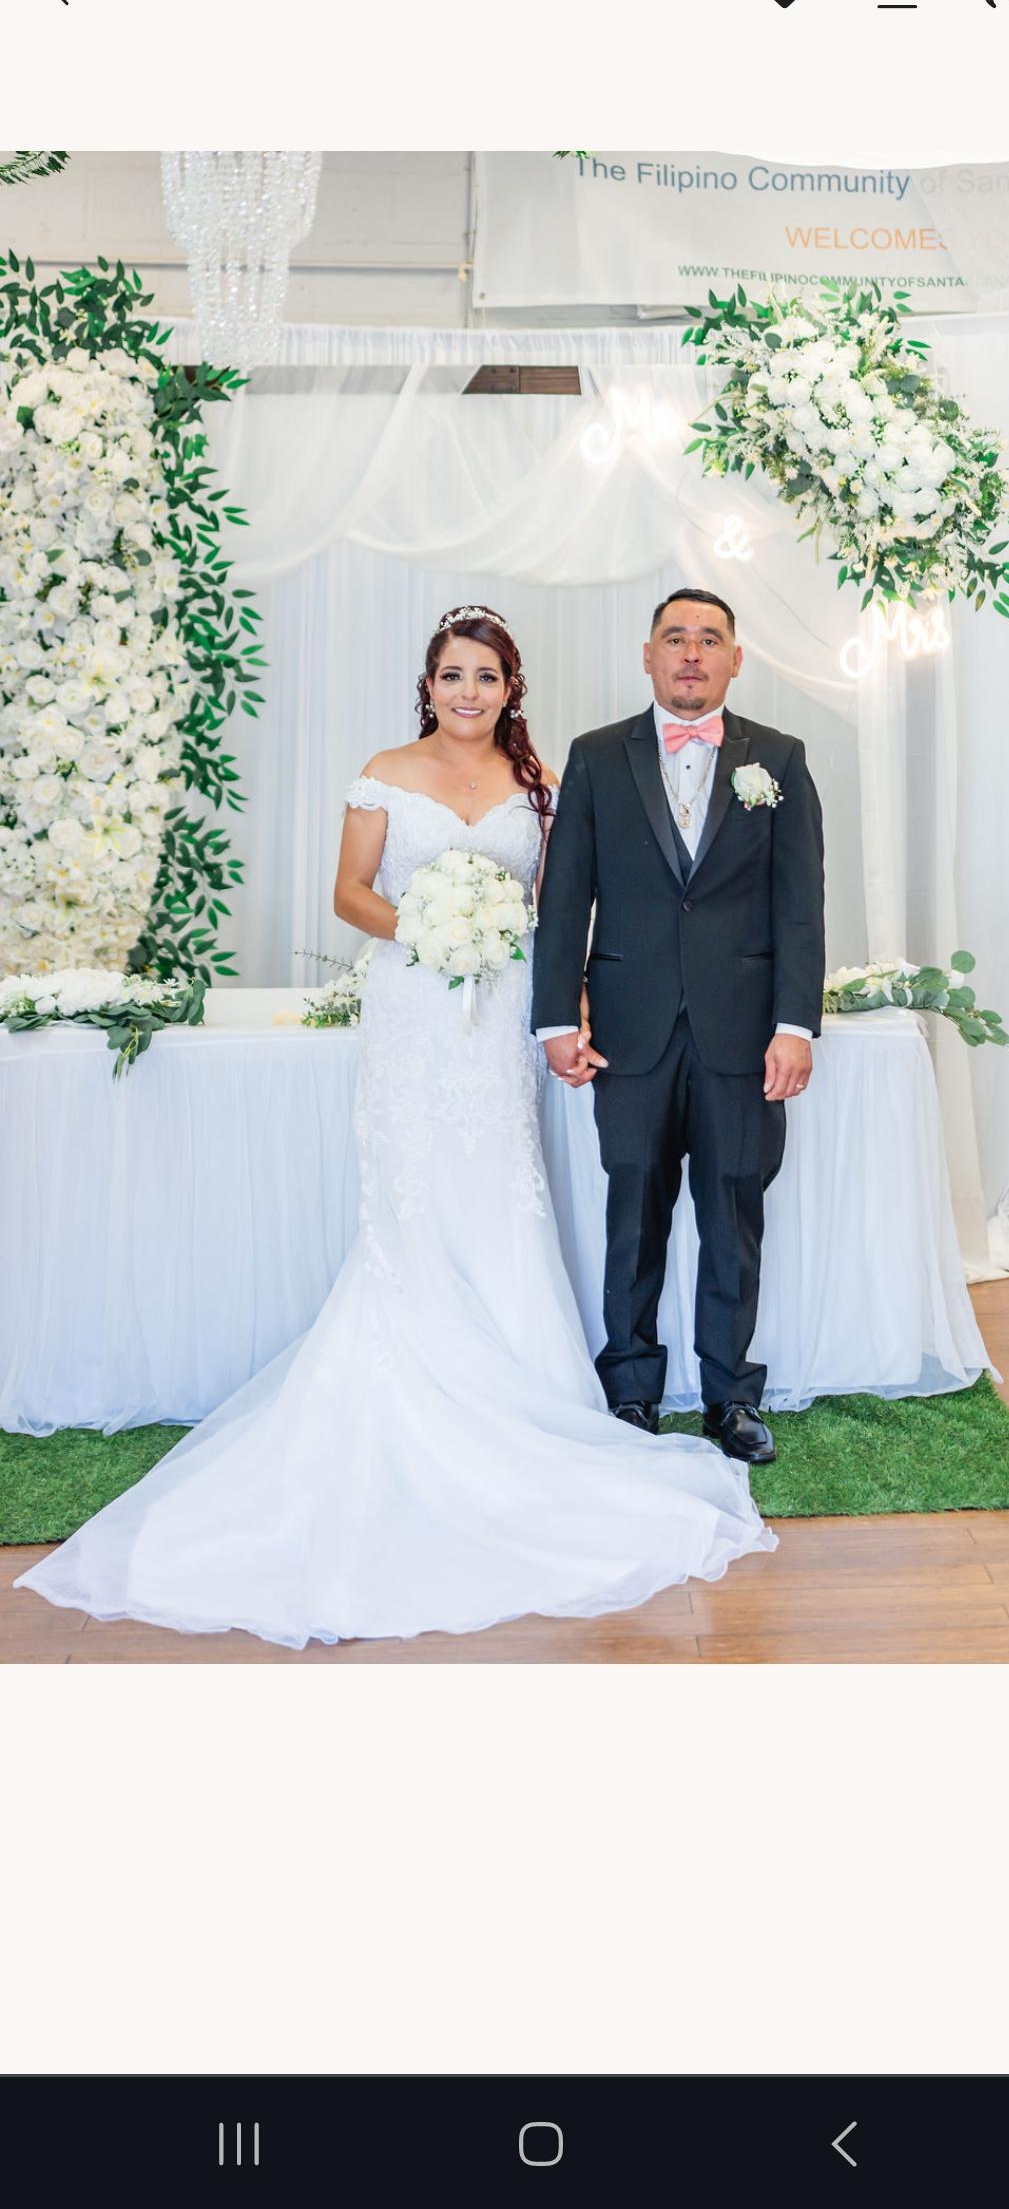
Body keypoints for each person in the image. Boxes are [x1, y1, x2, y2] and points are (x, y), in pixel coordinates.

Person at [15, 608, 775, 1649]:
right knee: (415, 1195)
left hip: (499, 1012)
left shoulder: (542, 783)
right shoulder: (384, 772)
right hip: (414, 1009)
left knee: (500, 1188)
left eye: (487, 677)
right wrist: (432, 926)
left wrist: (555, 987)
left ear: (510, 688)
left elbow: (559, 906)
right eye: (453, 675)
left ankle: (527, 1390)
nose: (469, 692)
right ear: (430, 685)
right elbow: (350, 893)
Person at [532, 588, 826, 1463]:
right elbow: (565, 898)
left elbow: (799, 906)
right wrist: (555, 1016)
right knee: (633, 1212)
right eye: (675, 638)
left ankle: (732, 1398)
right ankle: (631, 1392)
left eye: (709, 639)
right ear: (648, 655)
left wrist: (795, 1024)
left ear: (736, 658)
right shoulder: (595, 756)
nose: (691, 653)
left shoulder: (780, 756)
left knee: (733, 1212)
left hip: (743, 1033)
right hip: (629, 1031)